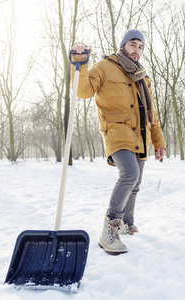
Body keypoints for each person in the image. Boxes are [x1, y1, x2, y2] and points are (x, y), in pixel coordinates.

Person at [71, 29, 166, 255]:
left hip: (140, 135)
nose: (137, 50)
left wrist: (158, 141)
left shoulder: (142, 76)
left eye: (141, 47)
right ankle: (109, 229)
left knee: (136, 184)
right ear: (123, 45)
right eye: (133, 45)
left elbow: (152, 114)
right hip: (116, 132)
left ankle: (126, 223)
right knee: (129, 174)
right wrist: (80, 62)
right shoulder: (106, 67)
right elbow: (83, 91)